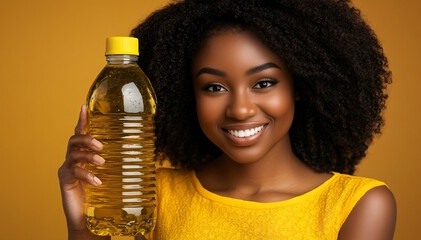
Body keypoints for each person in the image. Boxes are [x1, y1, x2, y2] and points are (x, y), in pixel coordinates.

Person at [58, 0, 397, 239]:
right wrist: (82, 229)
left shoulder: (357, 205)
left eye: (264, 83)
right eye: (214, 86)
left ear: (301, 86)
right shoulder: (156, 195)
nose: (239, 109)